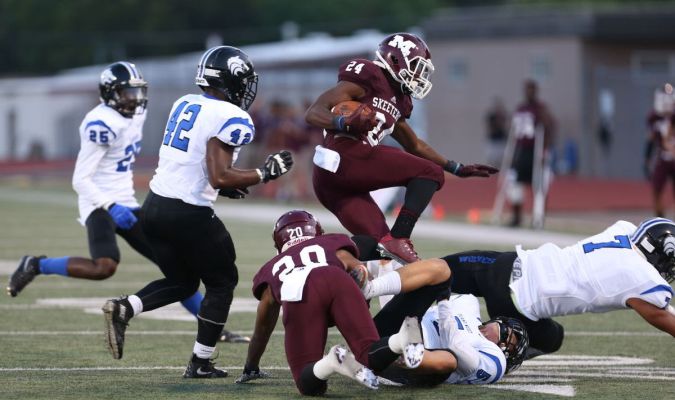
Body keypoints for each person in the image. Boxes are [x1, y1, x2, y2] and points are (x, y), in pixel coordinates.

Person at [5, 61, 247, 343]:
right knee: (104, 267)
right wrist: (110, 206)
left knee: (177, 269)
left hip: (127, 201)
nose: (134, 100)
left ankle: (213, 329)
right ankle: (35, 265)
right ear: (109, 94)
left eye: (137, 92)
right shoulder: (101, 123)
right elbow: (80, 180)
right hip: (99, 201)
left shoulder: (136, 114)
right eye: (126, 94)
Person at [101, 46, 294, 378]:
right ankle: (200, 363)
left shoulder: (185, 102)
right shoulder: (232, 117)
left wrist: (226, 185)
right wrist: (264, 173)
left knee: (182, 281)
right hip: (187, 211)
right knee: (223, 281)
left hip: (154, 205)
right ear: (231, 79)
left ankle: (125, 307)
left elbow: (197, 166)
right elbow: (218, 174)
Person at [305, 32, 497, 265]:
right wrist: (342, 121)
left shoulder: (400, 100)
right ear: (397, 60)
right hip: (345, 153)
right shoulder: (370, 75)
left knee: (380, 246)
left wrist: (456, 168)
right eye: (416, 67)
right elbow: (314, 112)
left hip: (333, 182)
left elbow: (414, 144)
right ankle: (402, 236)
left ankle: (321, 261)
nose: (419, 75)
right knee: (430, 173)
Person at [235, 210, 452, 395]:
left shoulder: (271, 268)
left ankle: (331, 362)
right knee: (368, 354)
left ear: (279, 240)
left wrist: (251, 366)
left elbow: (262, 329)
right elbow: (359, 270)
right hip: (336, 279)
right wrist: (358, 302)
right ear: (316, 231)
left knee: (308, 383)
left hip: (298, 291)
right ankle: (400, 339)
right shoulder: (330, 243)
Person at [442, 217, 675, 356]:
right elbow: (663, 316)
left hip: (504, 263)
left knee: (433, 272)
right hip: (516, 305)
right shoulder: (640, 277)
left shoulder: (622, 230)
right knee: (552, 339)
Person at [377, 294, 529, 386]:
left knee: (450, 360)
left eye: (509, 344)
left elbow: (455, 346)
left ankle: (388, 355)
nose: (504, 341)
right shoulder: (469, 304)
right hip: (405, 323)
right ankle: (379, 274)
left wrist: (443, 302)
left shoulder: (495, 361)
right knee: (438, 270)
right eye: (507, 333)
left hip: (423, 357)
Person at [505, 79, 555, 227]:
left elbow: (549, 129)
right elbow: (515, 132)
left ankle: (539, 218)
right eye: (527, 89)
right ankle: (516, 217)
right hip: (522, 151)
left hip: (536, 151)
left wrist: (545, 151)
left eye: (531, 89)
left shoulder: (541, 109)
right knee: (514, 185)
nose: (529, 92)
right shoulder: (520, 109)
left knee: (540, 186)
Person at [644, 83, 675, 217]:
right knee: (656, 190)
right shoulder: (654, 117)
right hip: (662, 157)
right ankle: (660, 220)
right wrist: (647, 158)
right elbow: (651, 138)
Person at [485, 97, 509, 168]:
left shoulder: (503, 116)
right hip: (493, 141)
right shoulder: (491, 116)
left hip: (501, 140)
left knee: (502, 161)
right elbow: (490, 128)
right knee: (492, 161)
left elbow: (506, 127)